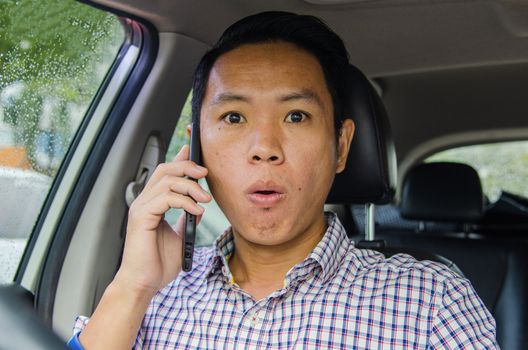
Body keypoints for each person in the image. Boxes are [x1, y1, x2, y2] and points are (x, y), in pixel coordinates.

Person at [68, 11, 498, 349]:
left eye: (296, 116)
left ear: (341, 147)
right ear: (197, 148)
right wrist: (132, 285)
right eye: (234, 117)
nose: (265, 147)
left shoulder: (430, 300)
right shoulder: (152, 292)